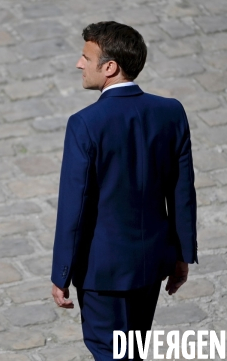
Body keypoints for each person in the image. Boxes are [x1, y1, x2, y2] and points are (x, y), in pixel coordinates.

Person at [50, 21, 198, 360]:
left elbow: (74, 206)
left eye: (86, 57)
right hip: (151, 265)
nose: (79, 64)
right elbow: (181, 192)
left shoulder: (85, 123)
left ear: (110, 67)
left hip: (102, 273)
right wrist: (181, 255)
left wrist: (61, 272)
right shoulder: (170, 112)